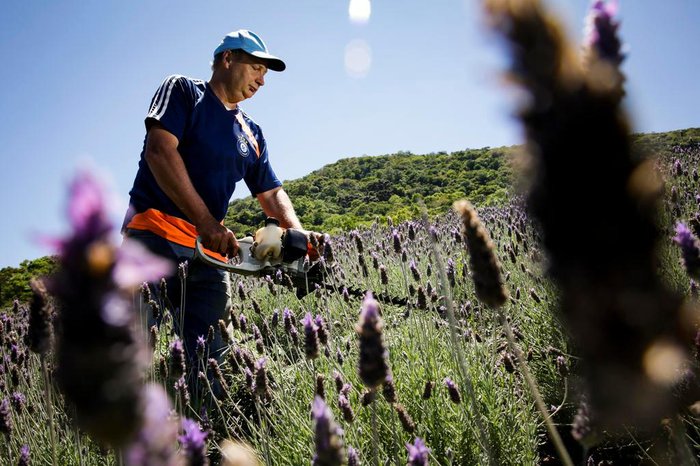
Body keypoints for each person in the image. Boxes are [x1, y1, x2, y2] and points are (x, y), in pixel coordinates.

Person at [122, 29, 309, 369]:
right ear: (228, 58)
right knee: (128, 354)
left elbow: (270, 191)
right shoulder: (182, 91)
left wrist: (299, 234)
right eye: (256, 68)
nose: (262, 81)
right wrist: (206, 222)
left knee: (211, 361)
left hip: (206, 257)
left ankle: (204, 416)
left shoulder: (252, 132)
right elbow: (160, 152)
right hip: (152, 239)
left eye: (265, 74)